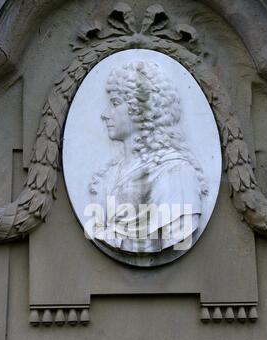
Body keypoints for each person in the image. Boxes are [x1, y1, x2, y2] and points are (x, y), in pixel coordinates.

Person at [88, 61, 208, 253]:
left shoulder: (176, 174)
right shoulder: (108, 176)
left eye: (115, 104)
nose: (105, 115)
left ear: (140, 109)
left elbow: (179, 237)